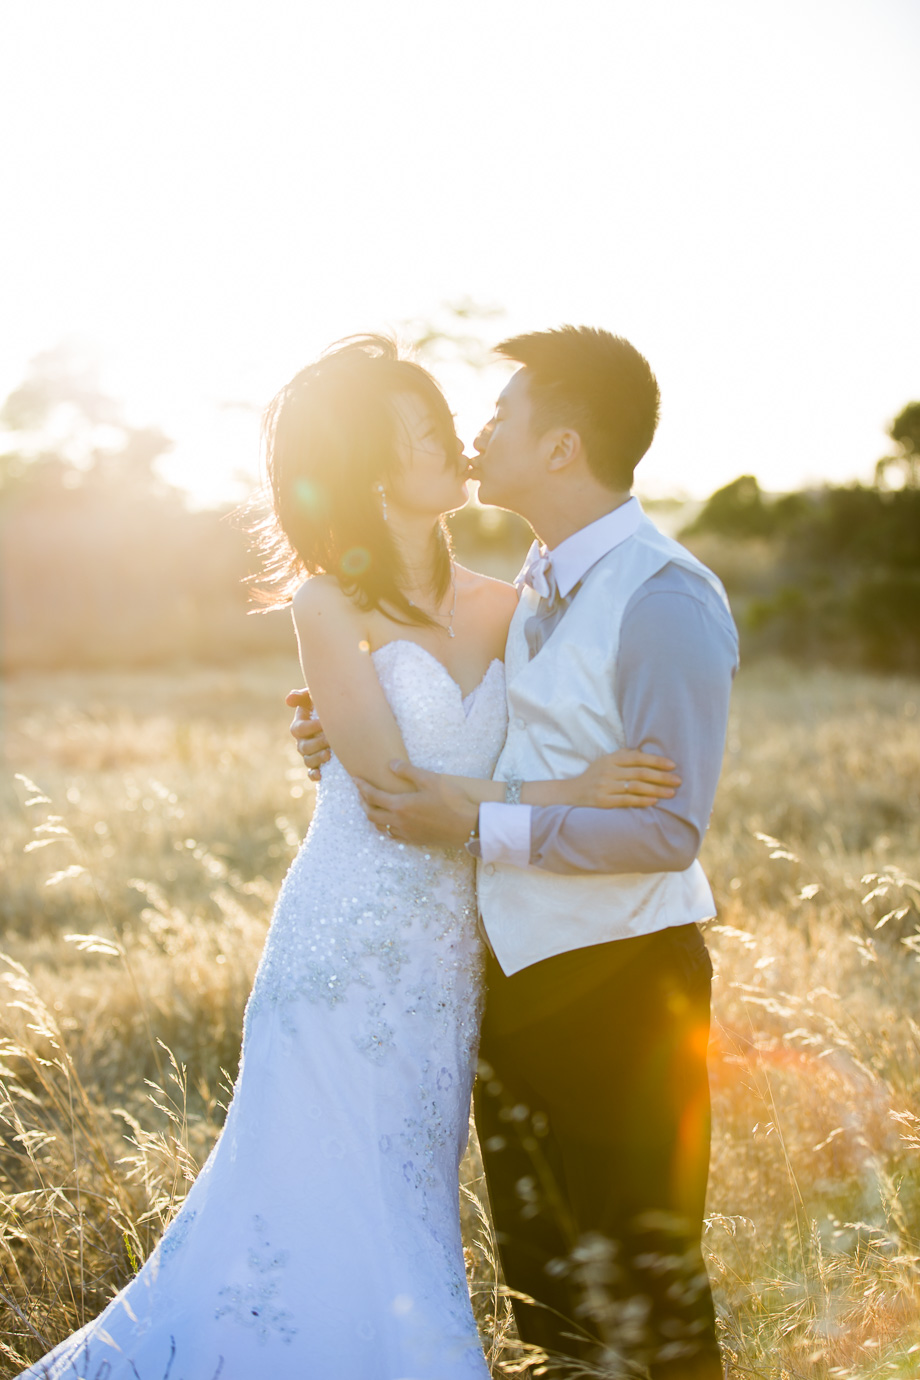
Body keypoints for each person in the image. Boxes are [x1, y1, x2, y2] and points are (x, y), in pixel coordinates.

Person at [21, 336, 676, 1380]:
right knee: (309, 1184)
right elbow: (389, 787)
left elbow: (555, 734)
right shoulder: (327, 605)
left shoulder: (515, 606)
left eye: (445, 423)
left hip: (452, 956)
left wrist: (583, 778)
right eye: (422, 433)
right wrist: (573, 792)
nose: (452, 442)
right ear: (371, 468)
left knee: (408, 1188)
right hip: (341, 939)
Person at [292, 326, 739, 1378]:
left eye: (501, 414)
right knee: (551, 1300)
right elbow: (470, 720)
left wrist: (474, 820)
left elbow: (668, 830)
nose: (477, 431)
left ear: (561, 447)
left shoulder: (664, 597)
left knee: (648, 1286)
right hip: (511, 979)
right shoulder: (531, 582)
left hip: (627, 982)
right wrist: (336, 729)